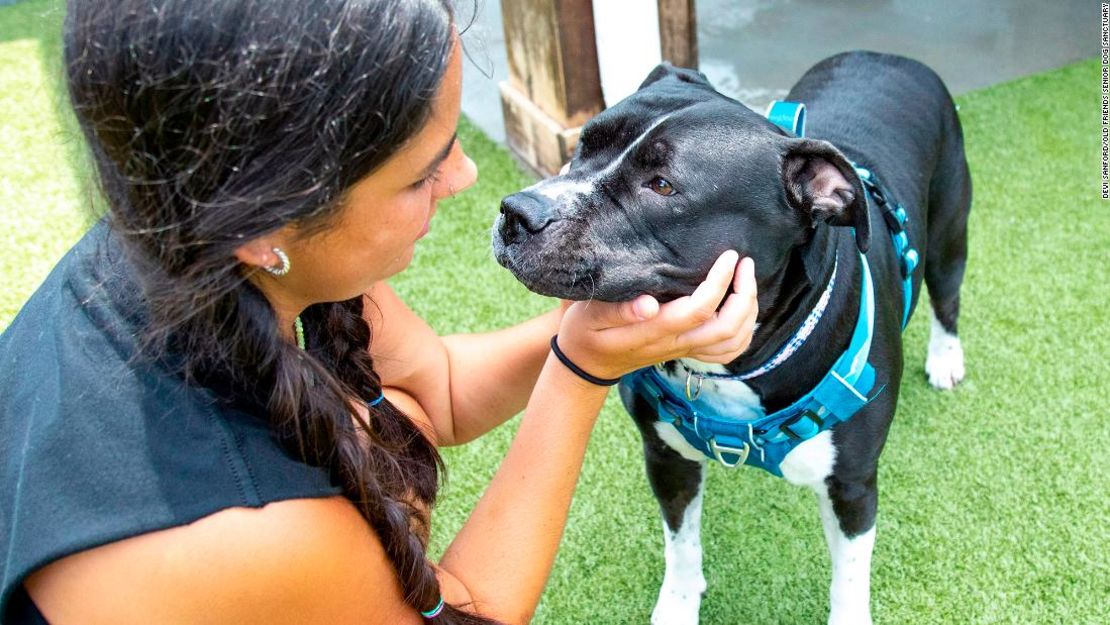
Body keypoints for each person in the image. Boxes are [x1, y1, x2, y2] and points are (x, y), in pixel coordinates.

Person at [0, 1, 758, 623]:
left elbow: (443, 389)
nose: (465, 176)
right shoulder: (242, 525)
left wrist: (611, 332)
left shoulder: (200, 233)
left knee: (393, 411)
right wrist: (578, 374)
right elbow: (476, 612)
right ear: (269, 222)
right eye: (422, 172)